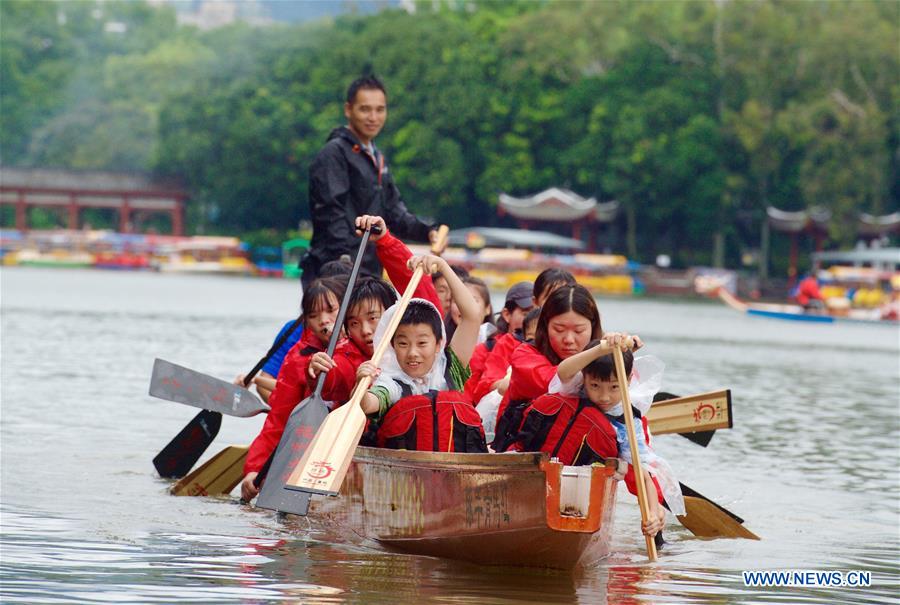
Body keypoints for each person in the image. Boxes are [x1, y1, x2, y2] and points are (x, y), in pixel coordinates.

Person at [511, 342, 682, 542]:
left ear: (628, 381)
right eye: (595, 386)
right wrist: (601, 349)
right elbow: (564, 370)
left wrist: (653, 511)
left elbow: (643, 476)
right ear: (584, 378)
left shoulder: (626, 422)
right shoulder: (574, 388)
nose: (604, 396)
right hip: (540, 476)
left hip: (582, 490)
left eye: (614, 387)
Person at [301, 75, 443, 289]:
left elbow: (394, 212)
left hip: (368, 272)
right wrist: (343, 261)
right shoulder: (334, 153)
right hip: (335, 273)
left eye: (380, 109)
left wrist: (428, 231)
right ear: (349, 110)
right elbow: (330, 214)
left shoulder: (377, 158)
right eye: (365, 109)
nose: (373, 117)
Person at [353, 254, 485, 451]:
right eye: (403, 343)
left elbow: (472, 316)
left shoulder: (450, 369)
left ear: (439, 343)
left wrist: (442, 266)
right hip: (406, 474)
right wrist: (359, 387)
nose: (413, 353)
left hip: (453, 471)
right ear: (393, 345)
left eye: (422, 343)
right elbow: (369, 404)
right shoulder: (391, 384)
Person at [306, 215, 442, 405]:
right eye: (354, 323)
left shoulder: (420, 340)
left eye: (373, 318)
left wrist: (385, 241)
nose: (366, 331)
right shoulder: (348, 354)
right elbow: (336, 375)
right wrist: (319, 373)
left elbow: (420, 293)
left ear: (391, 314)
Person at [492, 284, 642, 452]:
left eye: (579, 331)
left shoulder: (604, 357)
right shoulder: (525, 354)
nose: (569, 339)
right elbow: (562, 381)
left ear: (593, 327)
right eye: (559, 329)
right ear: (545, 325)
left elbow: (624, 408)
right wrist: (599, 351)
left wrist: (623, 359)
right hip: (523, 452)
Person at [240, 277, 346, 501]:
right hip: (307, 456)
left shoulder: (367, 344)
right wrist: (254, 468)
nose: (324, 321)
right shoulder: (298, 358)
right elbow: (278, 421)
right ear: (306, 320)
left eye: (331, 310)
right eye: (313, 316)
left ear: (346, 308)